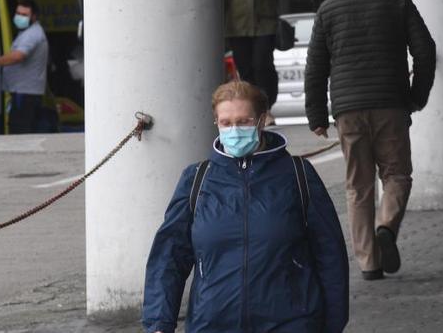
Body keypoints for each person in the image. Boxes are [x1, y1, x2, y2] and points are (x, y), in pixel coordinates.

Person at [142, 81, 349, 333]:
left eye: (244, 121)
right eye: (226, 123)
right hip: (212, 323)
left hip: (291, 322)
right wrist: (158, 323)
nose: (234, 130)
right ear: (216, 123)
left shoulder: (298, 175)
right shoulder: (196, 179)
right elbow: (169, 257)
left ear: (262, 121)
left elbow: (329, 253)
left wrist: (333, 323)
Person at [304, 0, 436, 281]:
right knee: (396, 175)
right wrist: (417, 96)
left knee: (357, 186)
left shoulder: (327, 9)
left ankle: (368, 263)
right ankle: (386, 227)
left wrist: (317, 115)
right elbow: (425, 51)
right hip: (391, 104)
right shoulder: (398, 3)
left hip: (348, 110)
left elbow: (316, 67)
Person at [223, 0, 286, 125]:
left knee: (262, 65)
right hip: (238, 27)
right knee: (246, 69)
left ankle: (267, 108)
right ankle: (252, 110)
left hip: (264, 25)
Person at [0, 0, 49, 134]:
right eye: (18, 13)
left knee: (20, 129)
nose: (19, 17)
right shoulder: (26, 33)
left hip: (25, 93)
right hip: (22, 91)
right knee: (19, 127)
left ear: (33, 17)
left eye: (24, 15)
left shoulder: (33, 34)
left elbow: (18, 56)